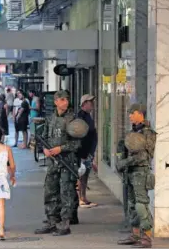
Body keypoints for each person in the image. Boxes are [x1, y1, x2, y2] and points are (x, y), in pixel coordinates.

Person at [34, 90, 84, 236]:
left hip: (67, 162)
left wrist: (60, 148)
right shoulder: (50, 119)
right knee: (50, 191)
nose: (65, 102)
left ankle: (65, 223)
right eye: (62, 99)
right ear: (56, 102)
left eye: (67, 99)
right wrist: (44, 149)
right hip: (53, 162)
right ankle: (51, 221)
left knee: (66, 192)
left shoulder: (73, 120)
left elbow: (77, 143)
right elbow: (43, 136)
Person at [116, 104, 156, 248]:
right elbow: (121, 150)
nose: (129, 116)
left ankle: (147, 237)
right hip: (130, 172)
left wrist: (124, 162)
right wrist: (119, 161)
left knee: (141, 204)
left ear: (140, 114)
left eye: (132, 113)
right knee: (132, 205)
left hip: (140, 172)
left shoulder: (149, 133)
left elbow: (143, 156)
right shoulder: (130, 132)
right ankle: (135, 234)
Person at [77, 94, 98, 208]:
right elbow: (81, 136)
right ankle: (81, 198)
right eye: (90, 102)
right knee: (82, 174)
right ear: (84, 104)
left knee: (85, 174)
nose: (92, 105)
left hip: (89, 152)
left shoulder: (88, 116)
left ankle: (83, 197)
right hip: (84, 152)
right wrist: (83, 154)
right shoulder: (81, 117)